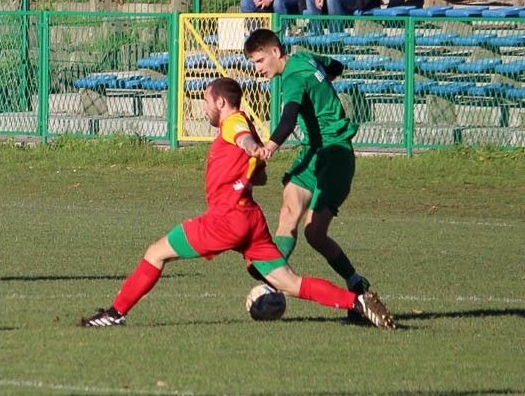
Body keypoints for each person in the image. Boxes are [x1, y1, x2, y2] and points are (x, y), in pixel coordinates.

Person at [80, 77, 394, 329]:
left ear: (220, 101)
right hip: (249, 219)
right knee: (288, 282)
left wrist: (253, 147)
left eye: (205, 101)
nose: (203, 107)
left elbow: (242, 136)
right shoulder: (240, 126)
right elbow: (259, 178)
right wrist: (251, 162)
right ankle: (358, 301)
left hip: (225, 219)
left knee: (156, 253)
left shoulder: (234, 123)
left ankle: (115, 313)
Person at [243, 28, 376, 322]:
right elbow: (334, 66)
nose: (258, 69)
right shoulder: (303, 57)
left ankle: (356, 283)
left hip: (336, 154)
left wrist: (270, 146)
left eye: (260, 61)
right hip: (312, 151)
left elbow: (289, 117)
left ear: (276, 52)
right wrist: (327, 81)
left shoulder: (292, 77)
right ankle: (271, 279)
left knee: (314, 233)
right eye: (254, 63)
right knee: (288, 212)